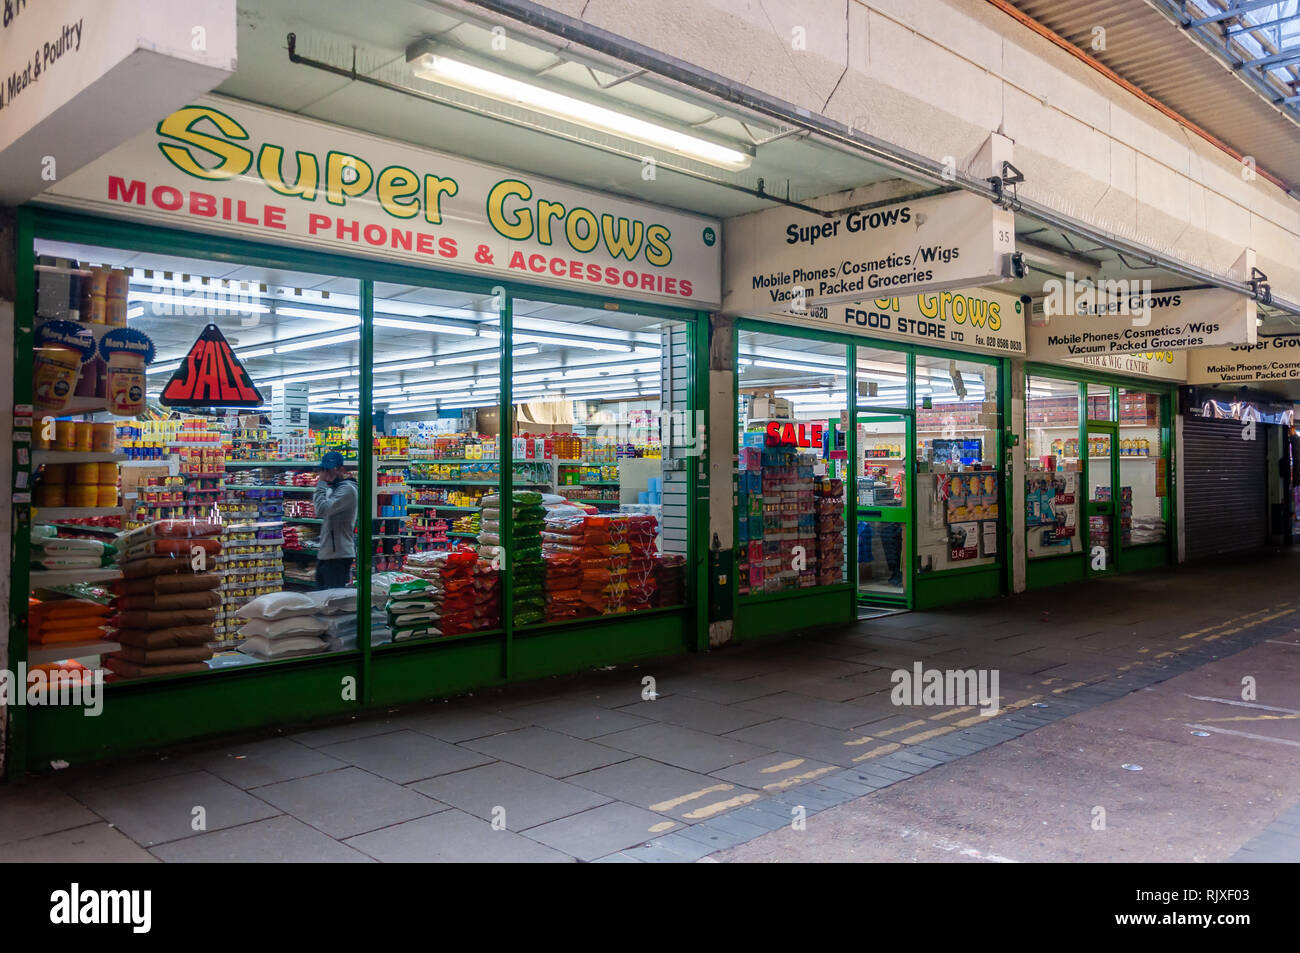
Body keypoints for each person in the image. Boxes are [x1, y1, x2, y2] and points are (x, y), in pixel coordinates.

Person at [313, 450, 358, 589]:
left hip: (339, 556)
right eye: (324, 470)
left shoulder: (347, 490)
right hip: (326, 555)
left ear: (341, 469)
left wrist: (320, 483)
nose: (327, 474)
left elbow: (321, 510)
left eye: (331, 469)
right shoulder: (334, 488)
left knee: (332, 603)